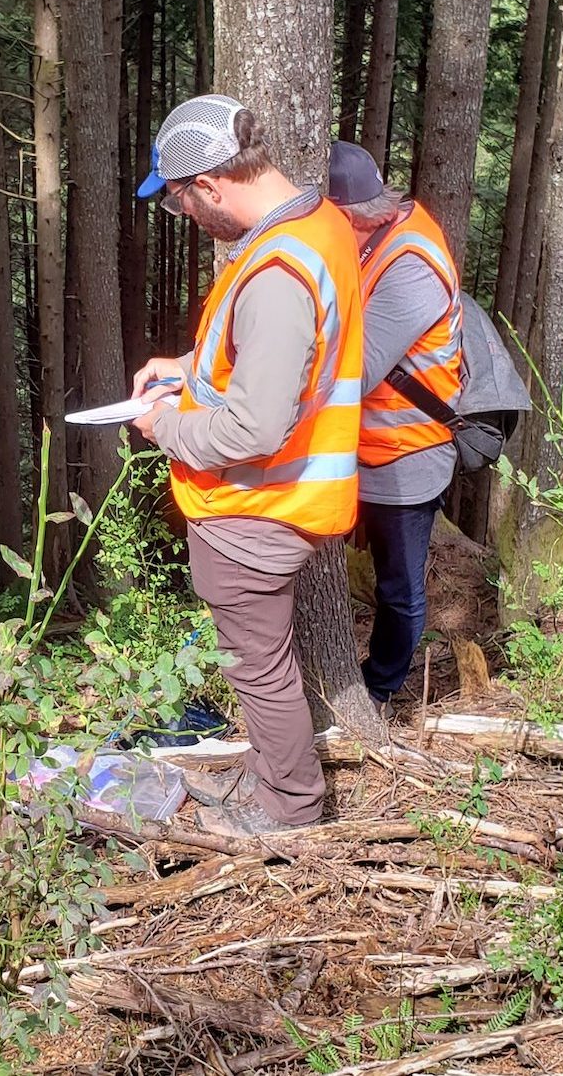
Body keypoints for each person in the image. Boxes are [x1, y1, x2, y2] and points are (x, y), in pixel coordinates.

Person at [127, 94, 365, 837]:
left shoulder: (275, 271)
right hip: (281, 498)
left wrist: (164, 425)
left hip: (258, 506)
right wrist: (190, 366)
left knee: (260, 671)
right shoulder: (312, 223)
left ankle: (289, 811)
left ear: (210, 185)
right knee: (261, 666)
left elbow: (257, 422)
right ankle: (276, 785)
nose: (188, 218)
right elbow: (268, 355)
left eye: (181, 203)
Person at [327, 141, 462, 715]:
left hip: (406, 452)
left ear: (350, 216)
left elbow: (353, 373)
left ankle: (381, 688)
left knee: (398, 587)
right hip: (359, 447)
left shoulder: (411, 266)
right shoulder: (373, 240)